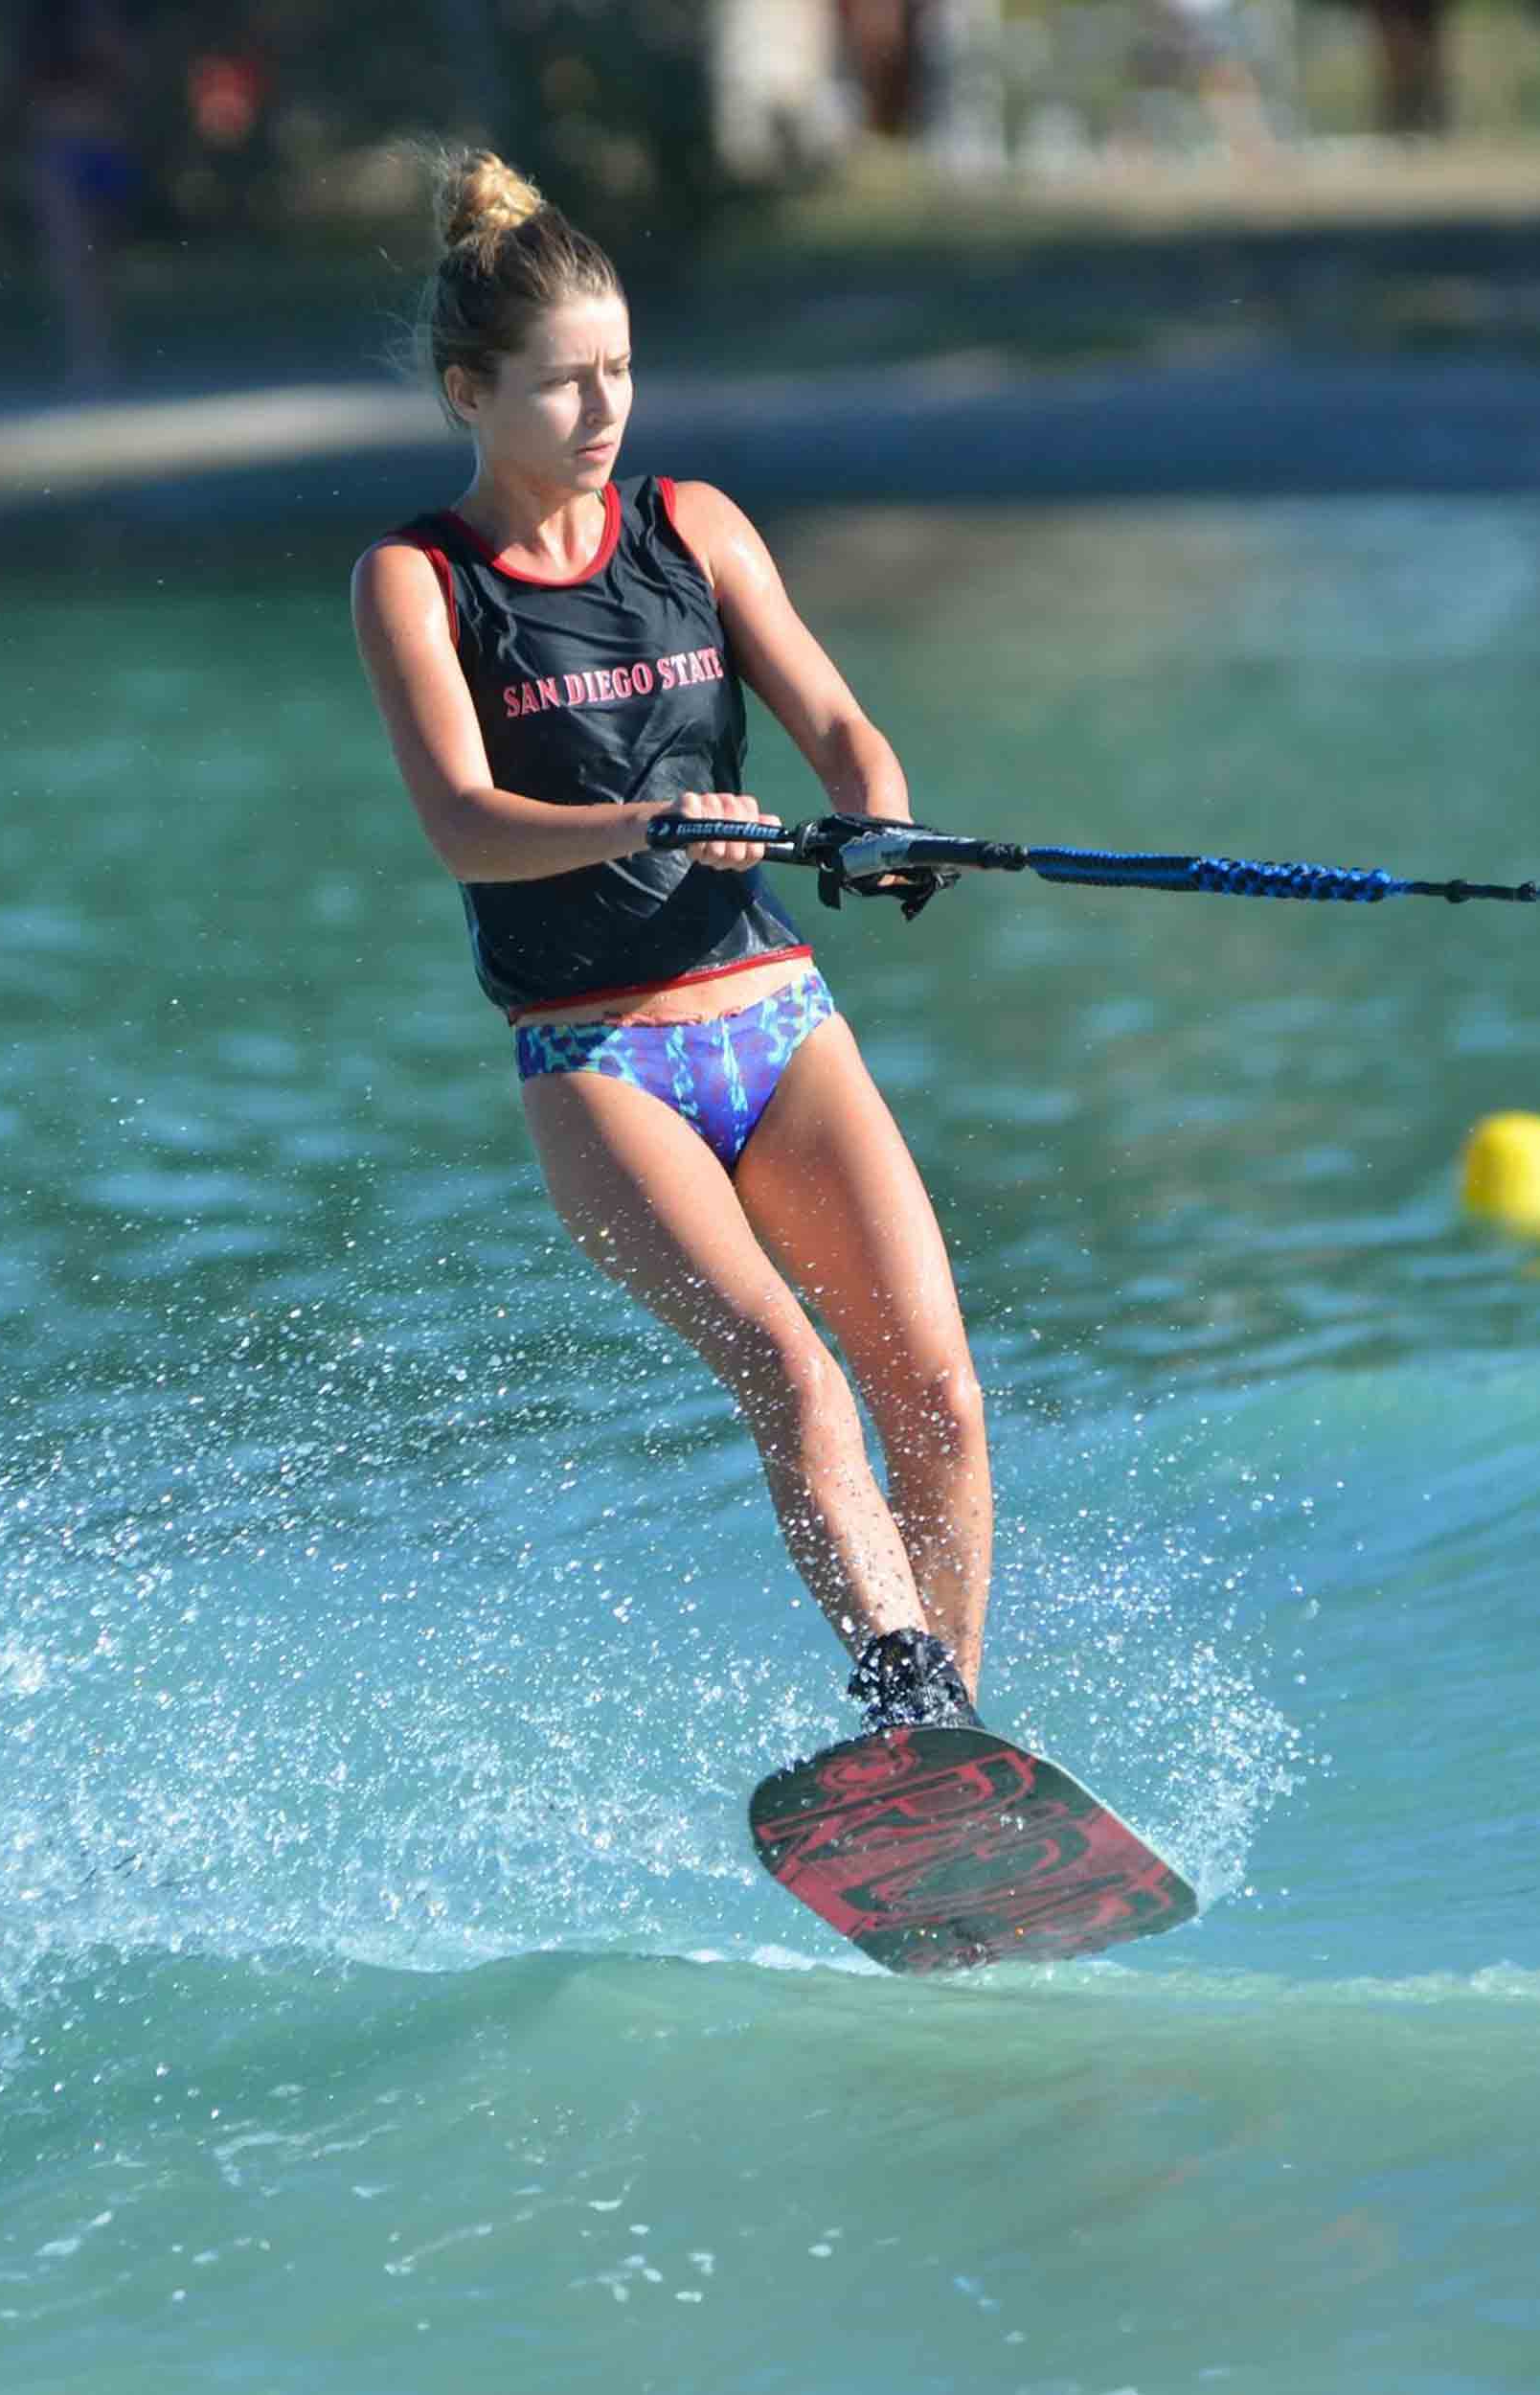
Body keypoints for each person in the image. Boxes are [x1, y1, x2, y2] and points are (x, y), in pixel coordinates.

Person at [349, 151, 991, 1734]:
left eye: (621, 371)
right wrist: (643, 824)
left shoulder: (692, 528)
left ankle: (951, 1741)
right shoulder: (418, 582)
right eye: (564, 385)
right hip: (599, 1051)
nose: (604, 410)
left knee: (942, 1400)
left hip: (775, 1010)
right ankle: (902, 1692)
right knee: (790, 1372)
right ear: (469, 393)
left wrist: (880, 818)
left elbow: (839, 724)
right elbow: (462, 820)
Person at [20, 0, 141, 388]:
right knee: (73, 260)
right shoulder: (40, 24)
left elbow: (131, 75)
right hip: (59, 148)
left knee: (103, 261)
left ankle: (106, 352)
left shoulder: (105, 17)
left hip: (106, 145)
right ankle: (85, 356)